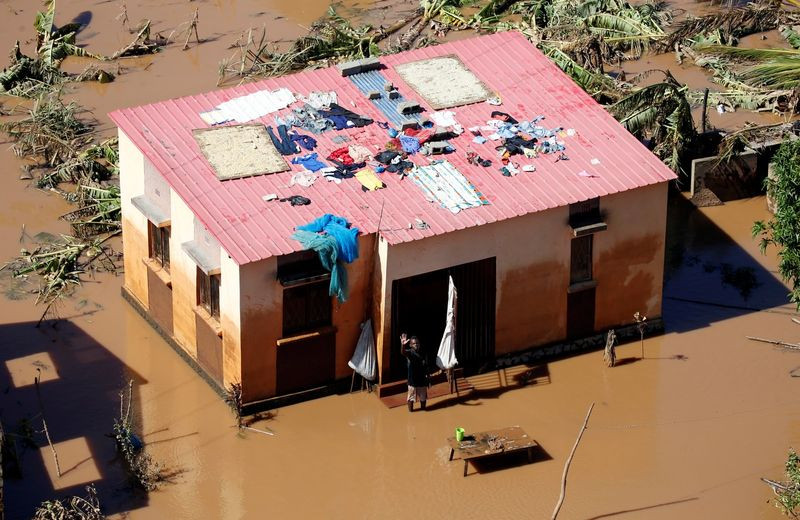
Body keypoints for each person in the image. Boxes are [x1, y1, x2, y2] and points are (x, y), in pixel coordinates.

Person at [400, 333, 428, 412]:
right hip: (412, 381)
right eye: (414, 343)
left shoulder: (423, 353)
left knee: (423, 399)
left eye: (417, 343)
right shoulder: (410, 353)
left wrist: (428, 378)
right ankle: (411, 414)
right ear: (410, 345)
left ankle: (423, 413)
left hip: (422, 380)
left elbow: (426, 366)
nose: (416, 345)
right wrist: (403, 345)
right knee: (411, 399)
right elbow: (403, 352)